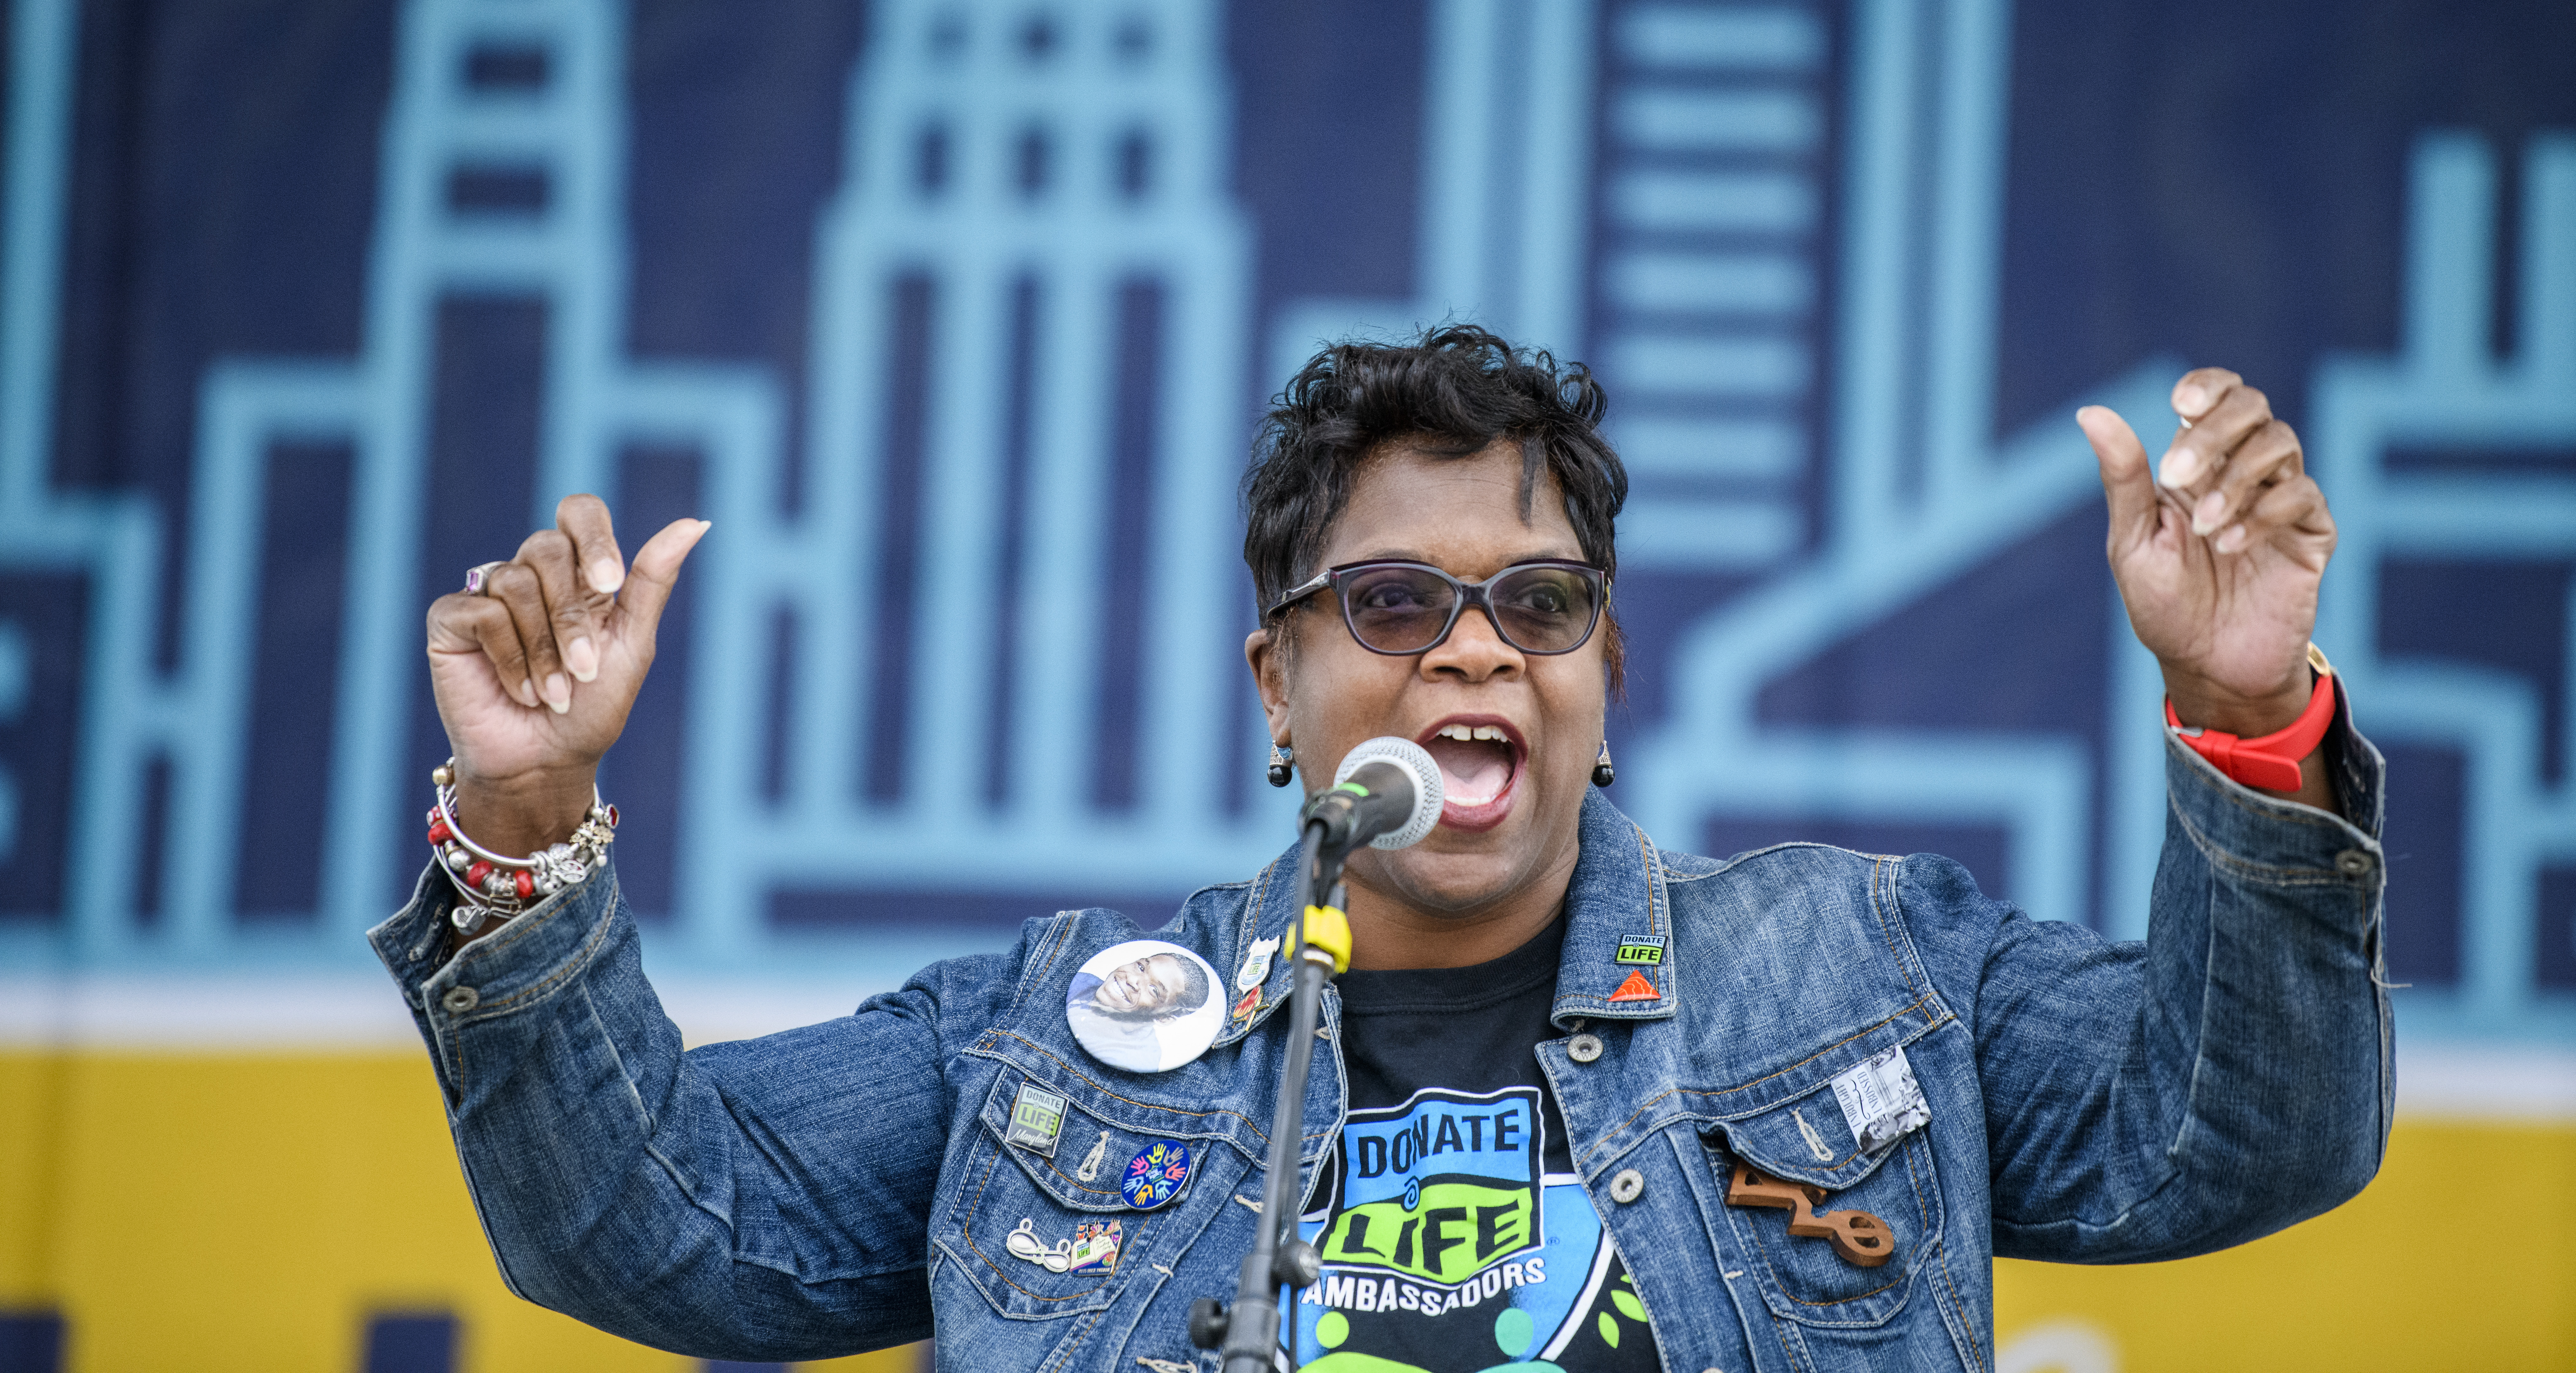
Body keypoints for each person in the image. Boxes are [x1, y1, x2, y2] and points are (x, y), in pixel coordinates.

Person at [376, 326, 2388, 1373]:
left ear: (1604, 668)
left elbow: (2250, 1134)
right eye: (1400, 608)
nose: (1476, 653)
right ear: (1279, 686)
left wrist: (2243, 719)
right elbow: (649, 1232)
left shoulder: (1862, 974)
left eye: (1540, 604)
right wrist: (528, 816)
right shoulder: (1054, 1046)